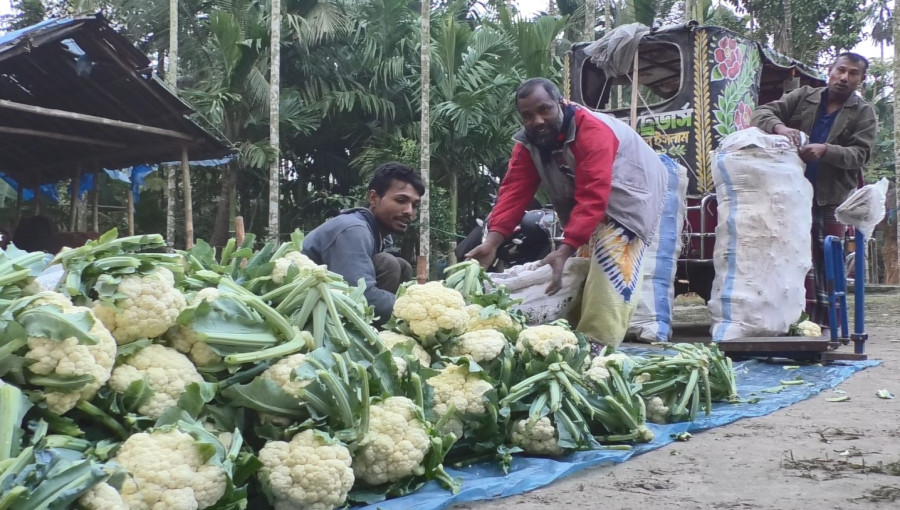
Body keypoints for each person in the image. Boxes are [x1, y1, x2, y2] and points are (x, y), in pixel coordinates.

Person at [466, 78, 667, 346]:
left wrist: (567, 245)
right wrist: (492, 241)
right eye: (528, 115)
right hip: (587, 198)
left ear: (560, 103)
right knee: (578, 263)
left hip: (630, 191)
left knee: (611, 256)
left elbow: (594, 194)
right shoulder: (529, 143)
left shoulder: (593, 130)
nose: (537, 120)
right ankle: (573, 336)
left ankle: (598, 344)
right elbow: (514, 191)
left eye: (545, 109)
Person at [750, 52, 876, 328]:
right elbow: (761, 113)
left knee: (827, 261)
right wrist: (780, 127)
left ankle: (830, 324)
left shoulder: (863, 113)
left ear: (860, 80)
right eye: (840, 70)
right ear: (829, 71)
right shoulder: (804, 96)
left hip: (830, 197)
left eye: (852, 73)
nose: (844, 77)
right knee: (792, 258)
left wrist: (826, 150)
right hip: (790, 194)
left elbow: (860, 155)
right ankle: (796, 322)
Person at [302, 162, 423, 323]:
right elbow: (360, 297)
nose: (409, 211)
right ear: (373, 198)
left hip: (337, 304)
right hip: (310, 313)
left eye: (414, 205)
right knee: (389, 263)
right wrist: (417, 310)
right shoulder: (352, 229)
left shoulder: (380, 236)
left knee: (402, 266)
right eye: (401, 200)